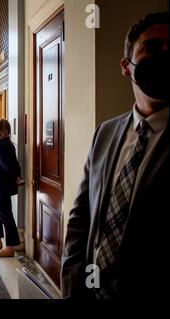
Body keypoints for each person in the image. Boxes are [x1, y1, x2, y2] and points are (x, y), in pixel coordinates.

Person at [61, 12, 169, 300]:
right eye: (153, 48)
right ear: (126, 65)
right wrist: (72, 290)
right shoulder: (106, 133)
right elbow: (81, 217)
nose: (165, 57)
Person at [0, 119, 24, 258]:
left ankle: (10, 247)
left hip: (0, 185)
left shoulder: (0, 145)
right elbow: (15, 164)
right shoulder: (6, 144)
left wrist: (16, 177)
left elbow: (8, 165)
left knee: (5, 215)